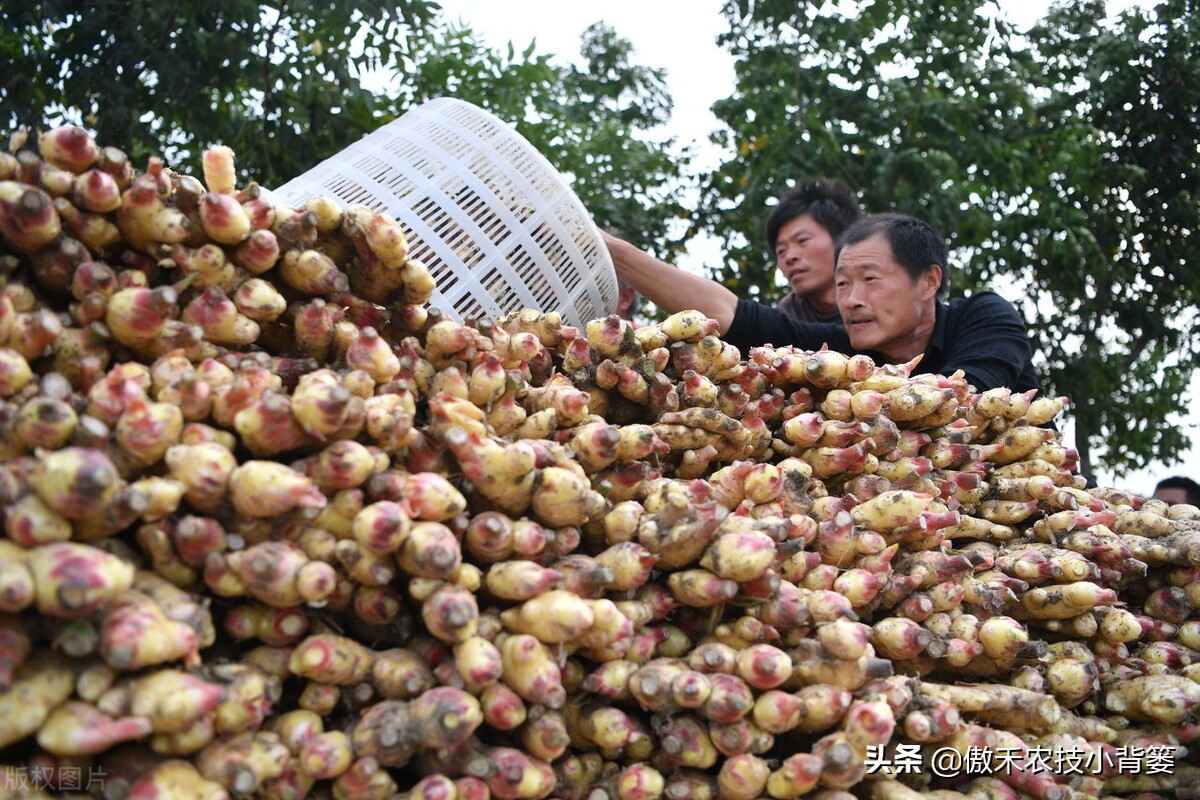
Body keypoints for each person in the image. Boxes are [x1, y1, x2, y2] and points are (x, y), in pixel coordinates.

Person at [604, 212, 1040, 393]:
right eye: (843, 284)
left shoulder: (983, 315)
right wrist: (611, 250)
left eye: (870, 280)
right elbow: (732, 316)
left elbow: (966, 396)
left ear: (929, 281)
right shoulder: (846, 352)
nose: (852, 300)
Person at [766, 178, 863, 323]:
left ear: (842, 240)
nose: (789, 257)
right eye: (781, 251)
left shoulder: (889, 299)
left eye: (802, 240)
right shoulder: (784, 321)